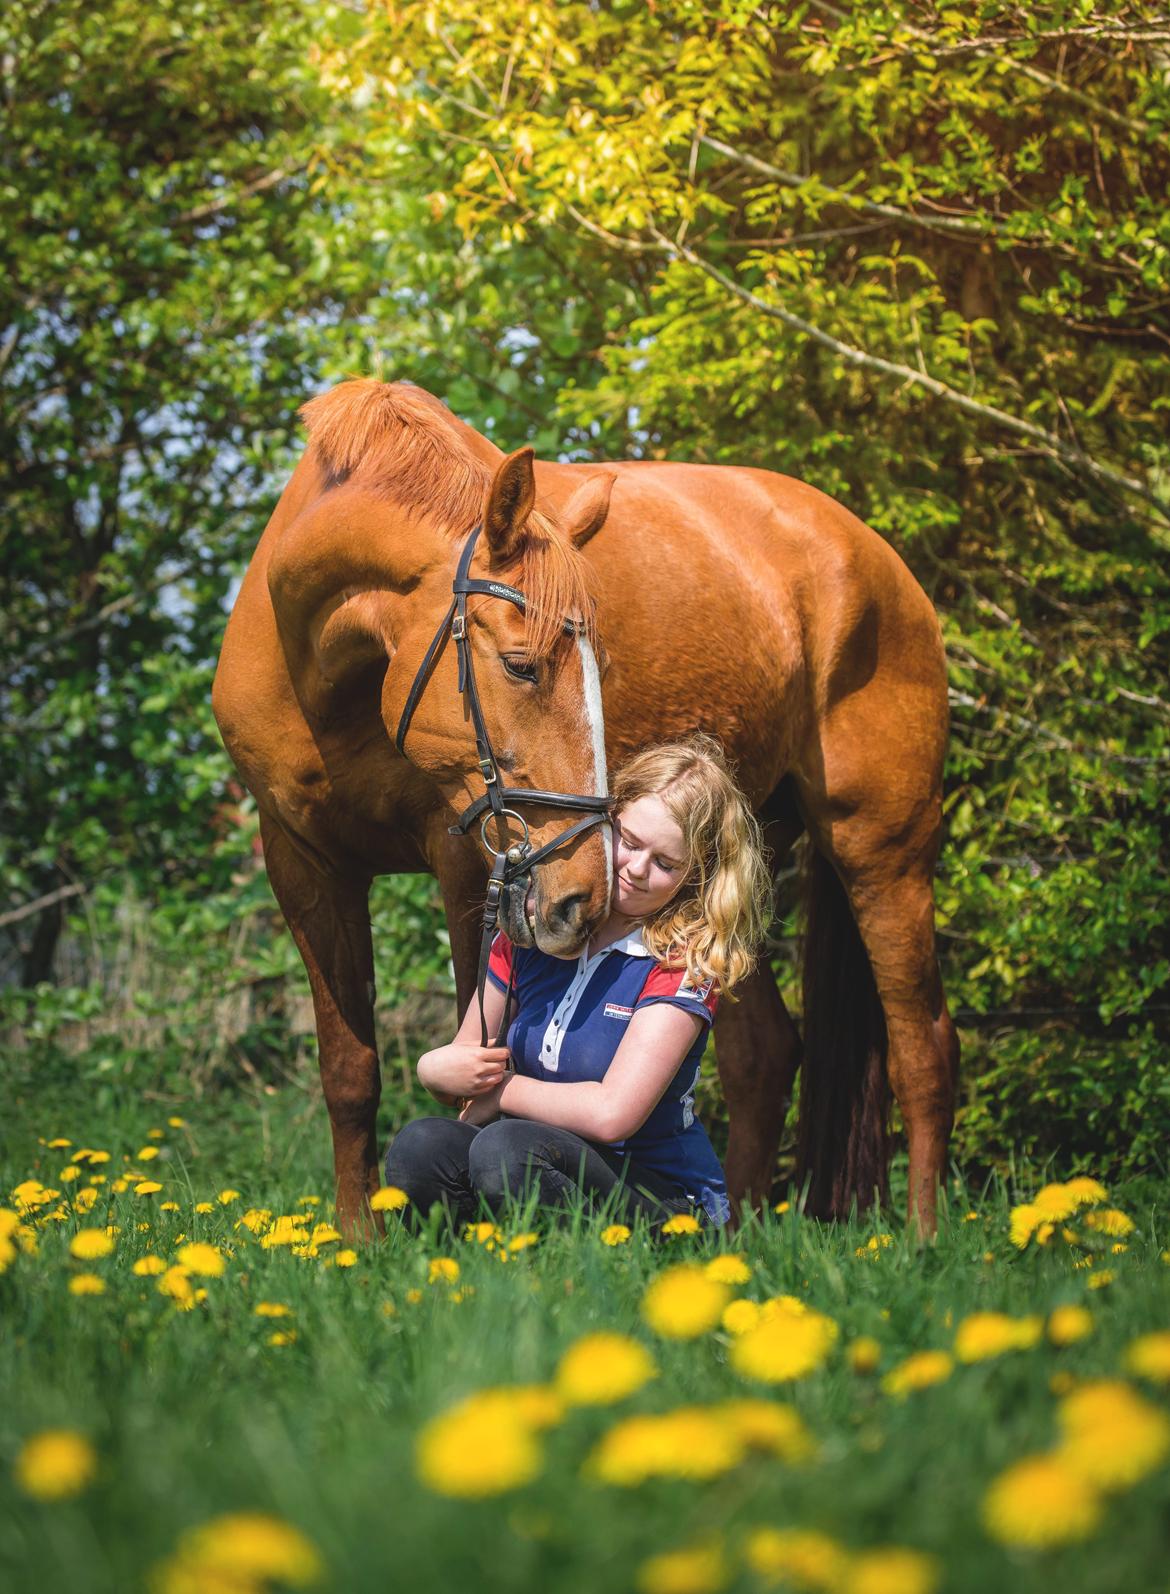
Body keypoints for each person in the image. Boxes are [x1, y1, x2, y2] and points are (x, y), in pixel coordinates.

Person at [383, 734, 771, 1234]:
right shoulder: (536, 929)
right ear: (604, 821)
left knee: (506, 1148)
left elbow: (612, 1115)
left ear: (698, 875)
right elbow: (466, 1065)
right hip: (539, 1163)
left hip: (661, 1197)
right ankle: (466, 1284)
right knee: (422, 1148)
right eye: (628, 842)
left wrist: (503, 1092)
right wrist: (433, 1069)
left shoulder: (682, 963)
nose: (635, 869)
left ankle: (589, 1279)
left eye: (666, 864)